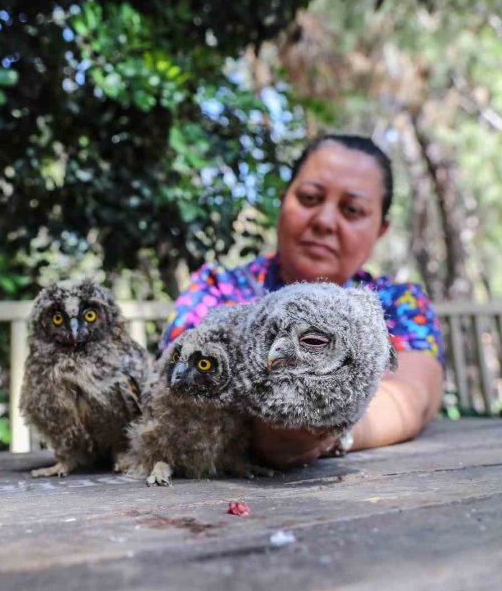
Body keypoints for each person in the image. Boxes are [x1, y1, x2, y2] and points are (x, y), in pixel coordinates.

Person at [159, 134, 445, 467]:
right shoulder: (218, 290)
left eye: (352, 210)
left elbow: (412, 396)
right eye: (310, 198)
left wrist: (328, 430)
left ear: (380, 229)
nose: (324, 221)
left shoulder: (398, 304)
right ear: (283, 200)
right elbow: (180, 383)